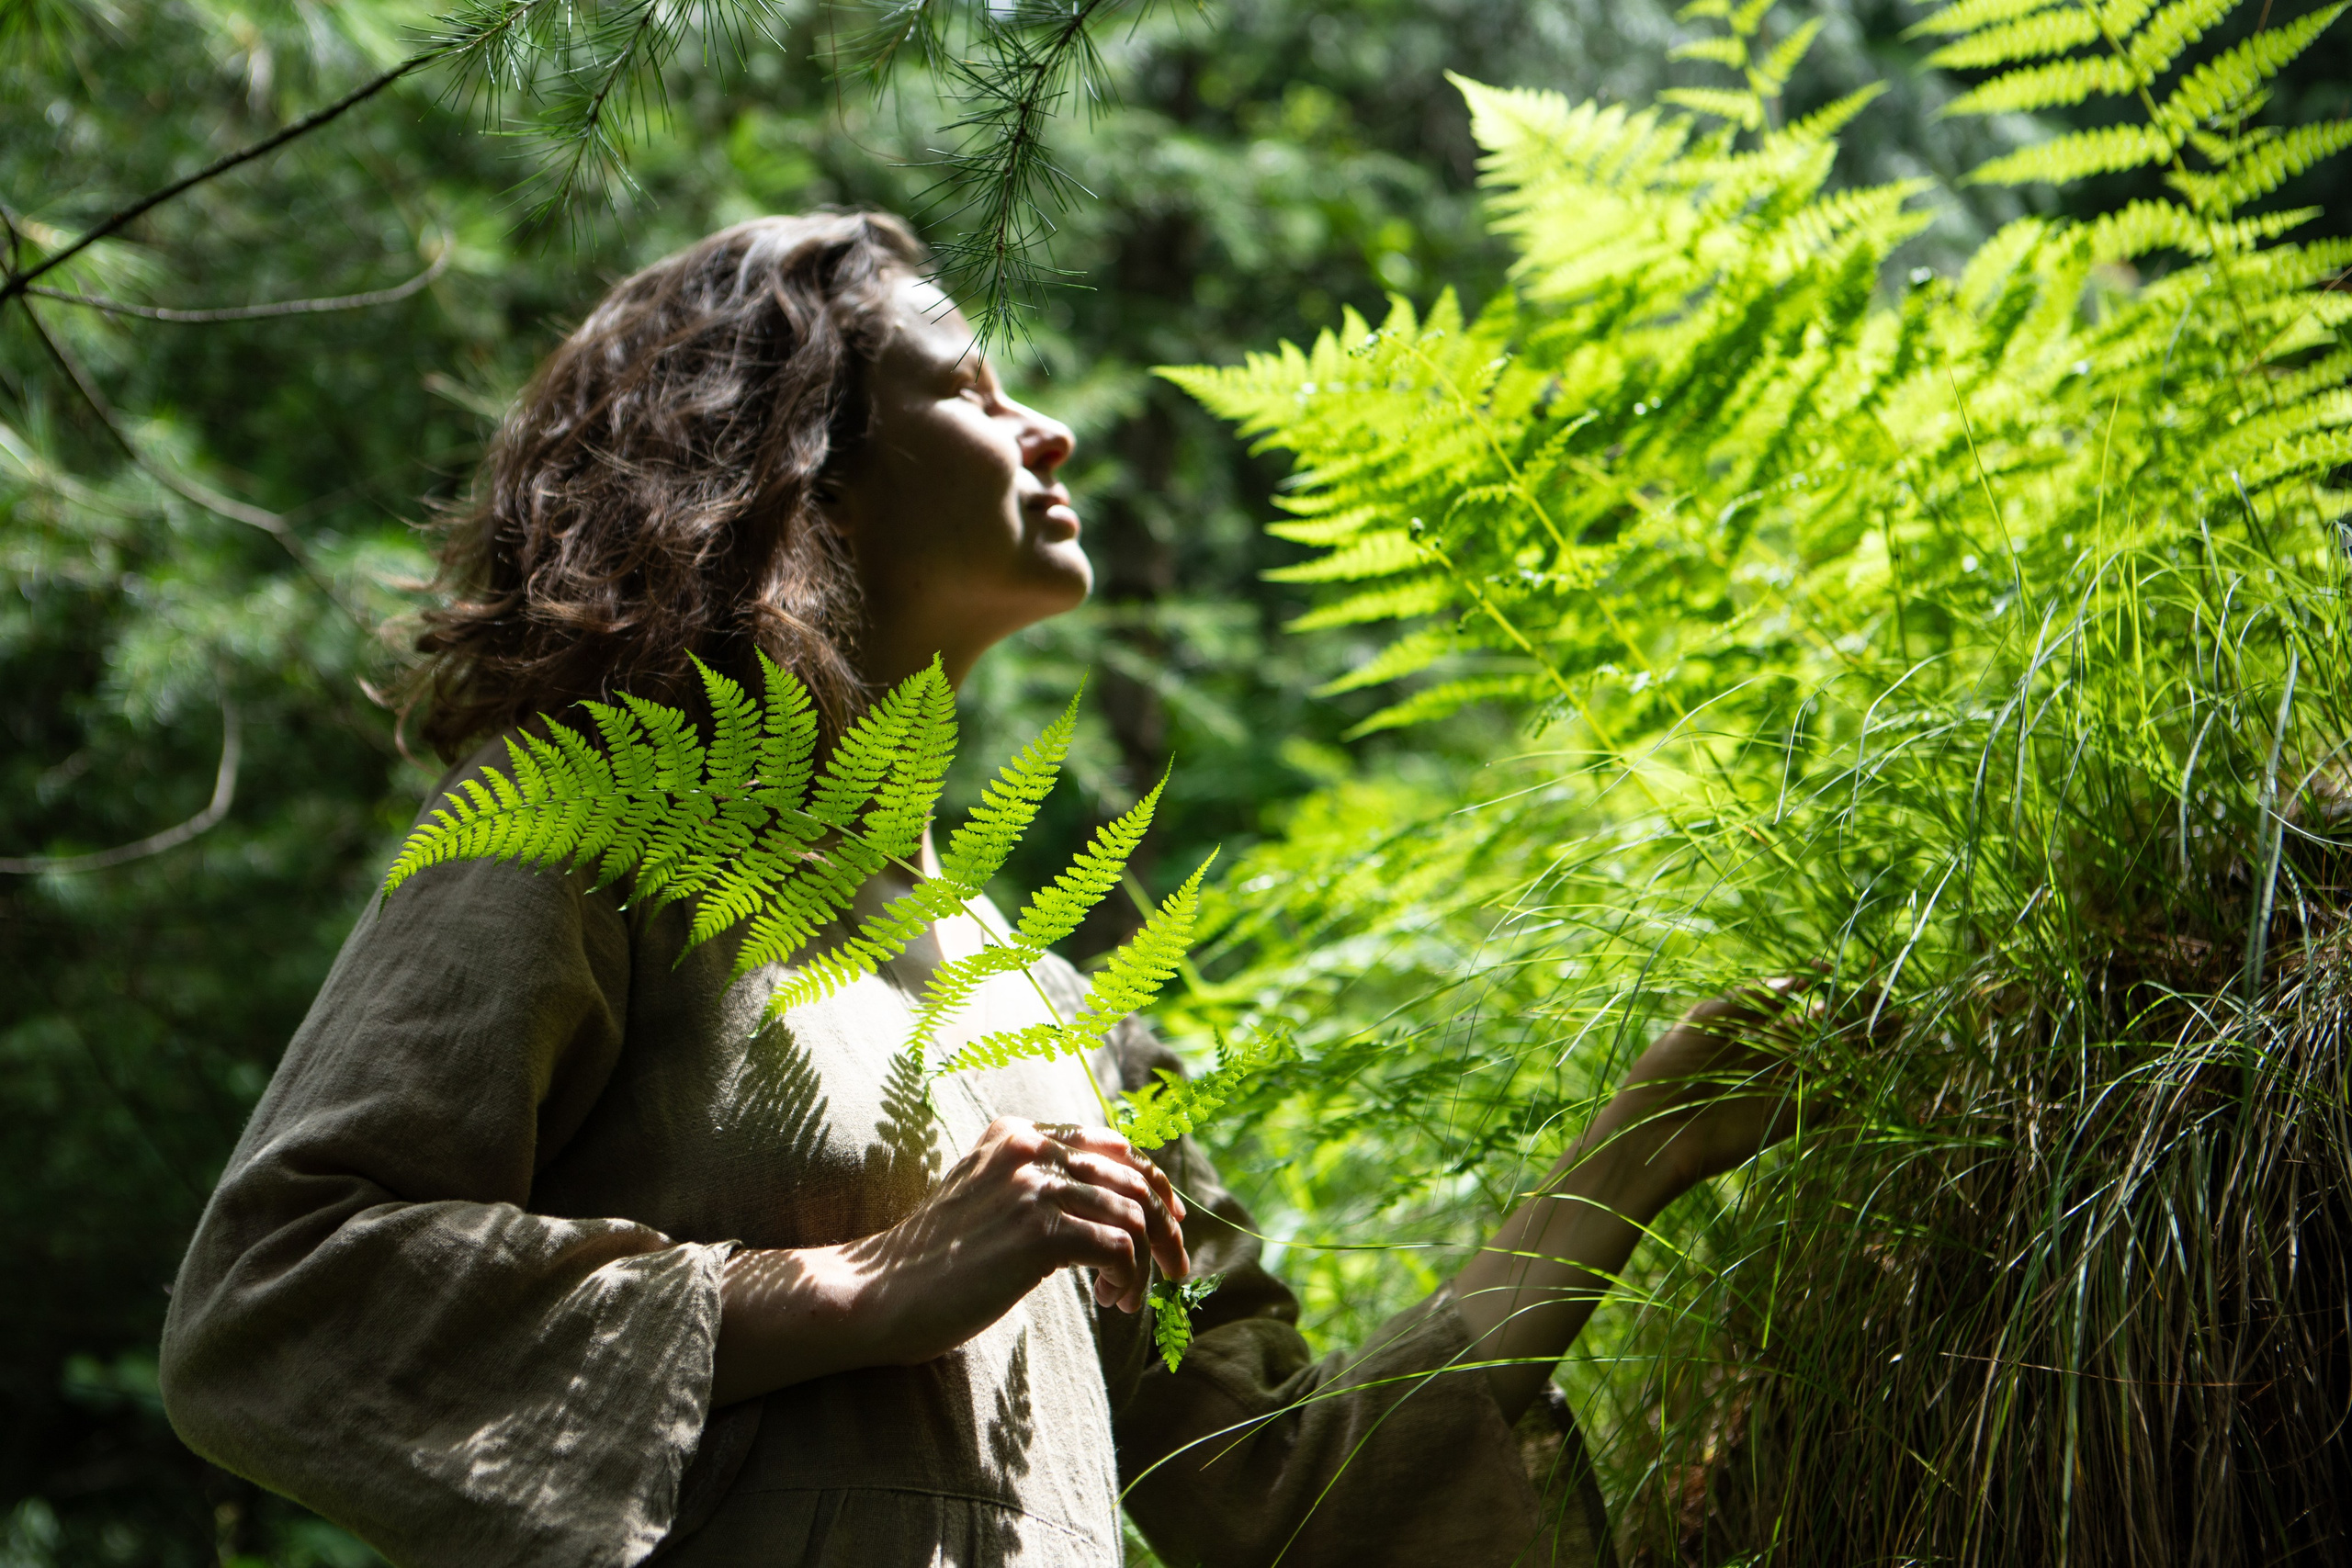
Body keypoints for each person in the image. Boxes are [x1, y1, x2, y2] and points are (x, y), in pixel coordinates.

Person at [158, 211, 1806, 1568]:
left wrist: (1637, 1154)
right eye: (971, 388)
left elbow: (1283, 1495)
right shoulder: (585, 819)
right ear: (815, 478)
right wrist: (860, 1289)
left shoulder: (1053, 1016)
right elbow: (277, 1298)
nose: (1051, 426)